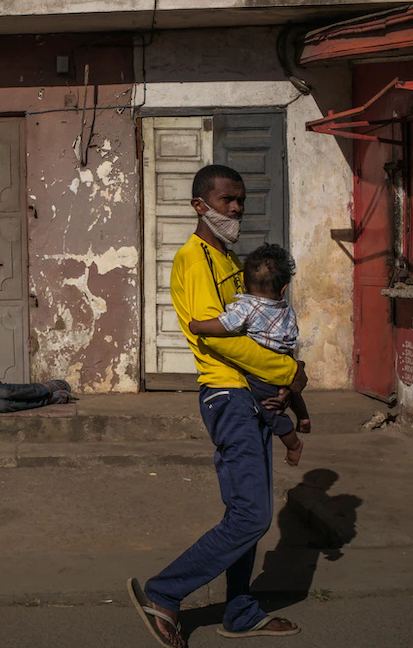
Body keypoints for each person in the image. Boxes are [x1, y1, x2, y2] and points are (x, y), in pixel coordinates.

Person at [128, 165, 308, 648]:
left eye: (241, 200)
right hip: (228, 394)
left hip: (253, 395)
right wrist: (285, 373)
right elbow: (221, 339)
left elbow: (256, 329)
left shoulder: (229, 260)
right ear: (199, 205)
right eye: (227, 199)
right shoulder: (194, 258)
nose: (236, 209)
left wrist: (284, 386)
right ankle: (165, 593)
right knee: (252, 517)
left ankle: (240, 610)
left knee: (244, 513)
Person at [188, 242, 310, 467]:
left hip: (261, 371)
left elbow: (225, 326)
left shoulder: (247, 307)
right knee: (289, 390)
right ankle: (303, 416)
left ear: (243, 283)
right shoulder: (287, 309)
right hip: (284, 360)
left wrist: (198, 326)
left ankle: (293, 444)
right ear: (283, 289)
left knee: (269, 409)